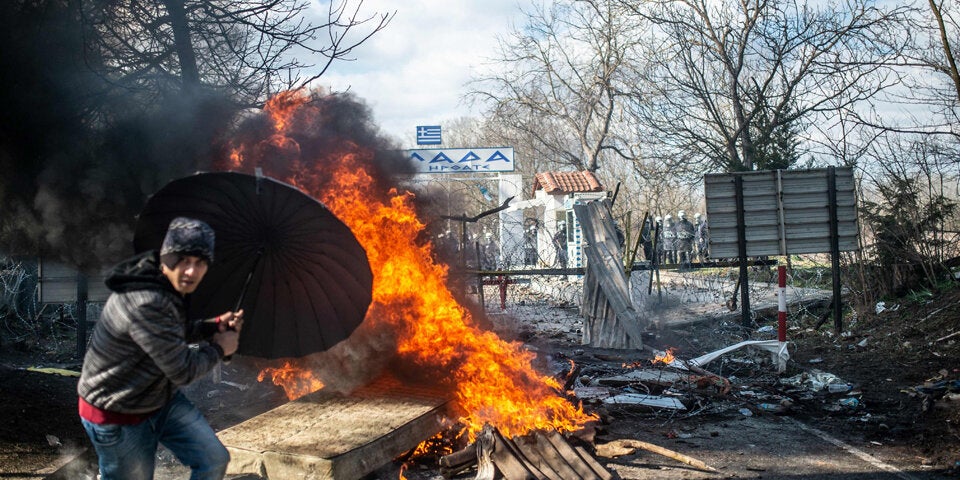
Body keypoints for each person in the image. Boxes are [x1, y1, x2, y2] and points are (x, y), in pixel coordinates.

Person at [77, 217, 243, 480]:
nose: (191, 271)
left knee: (213, 459)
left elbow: (171, 330)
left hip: (157, 398)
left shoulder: (160, 281)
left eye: (200, 263)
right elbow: (183, 371)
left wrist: (211, 326)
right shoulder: (145, 301)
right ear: (167, 257)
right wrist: (220, 349)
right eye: (184, 261)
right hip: (118, 412)